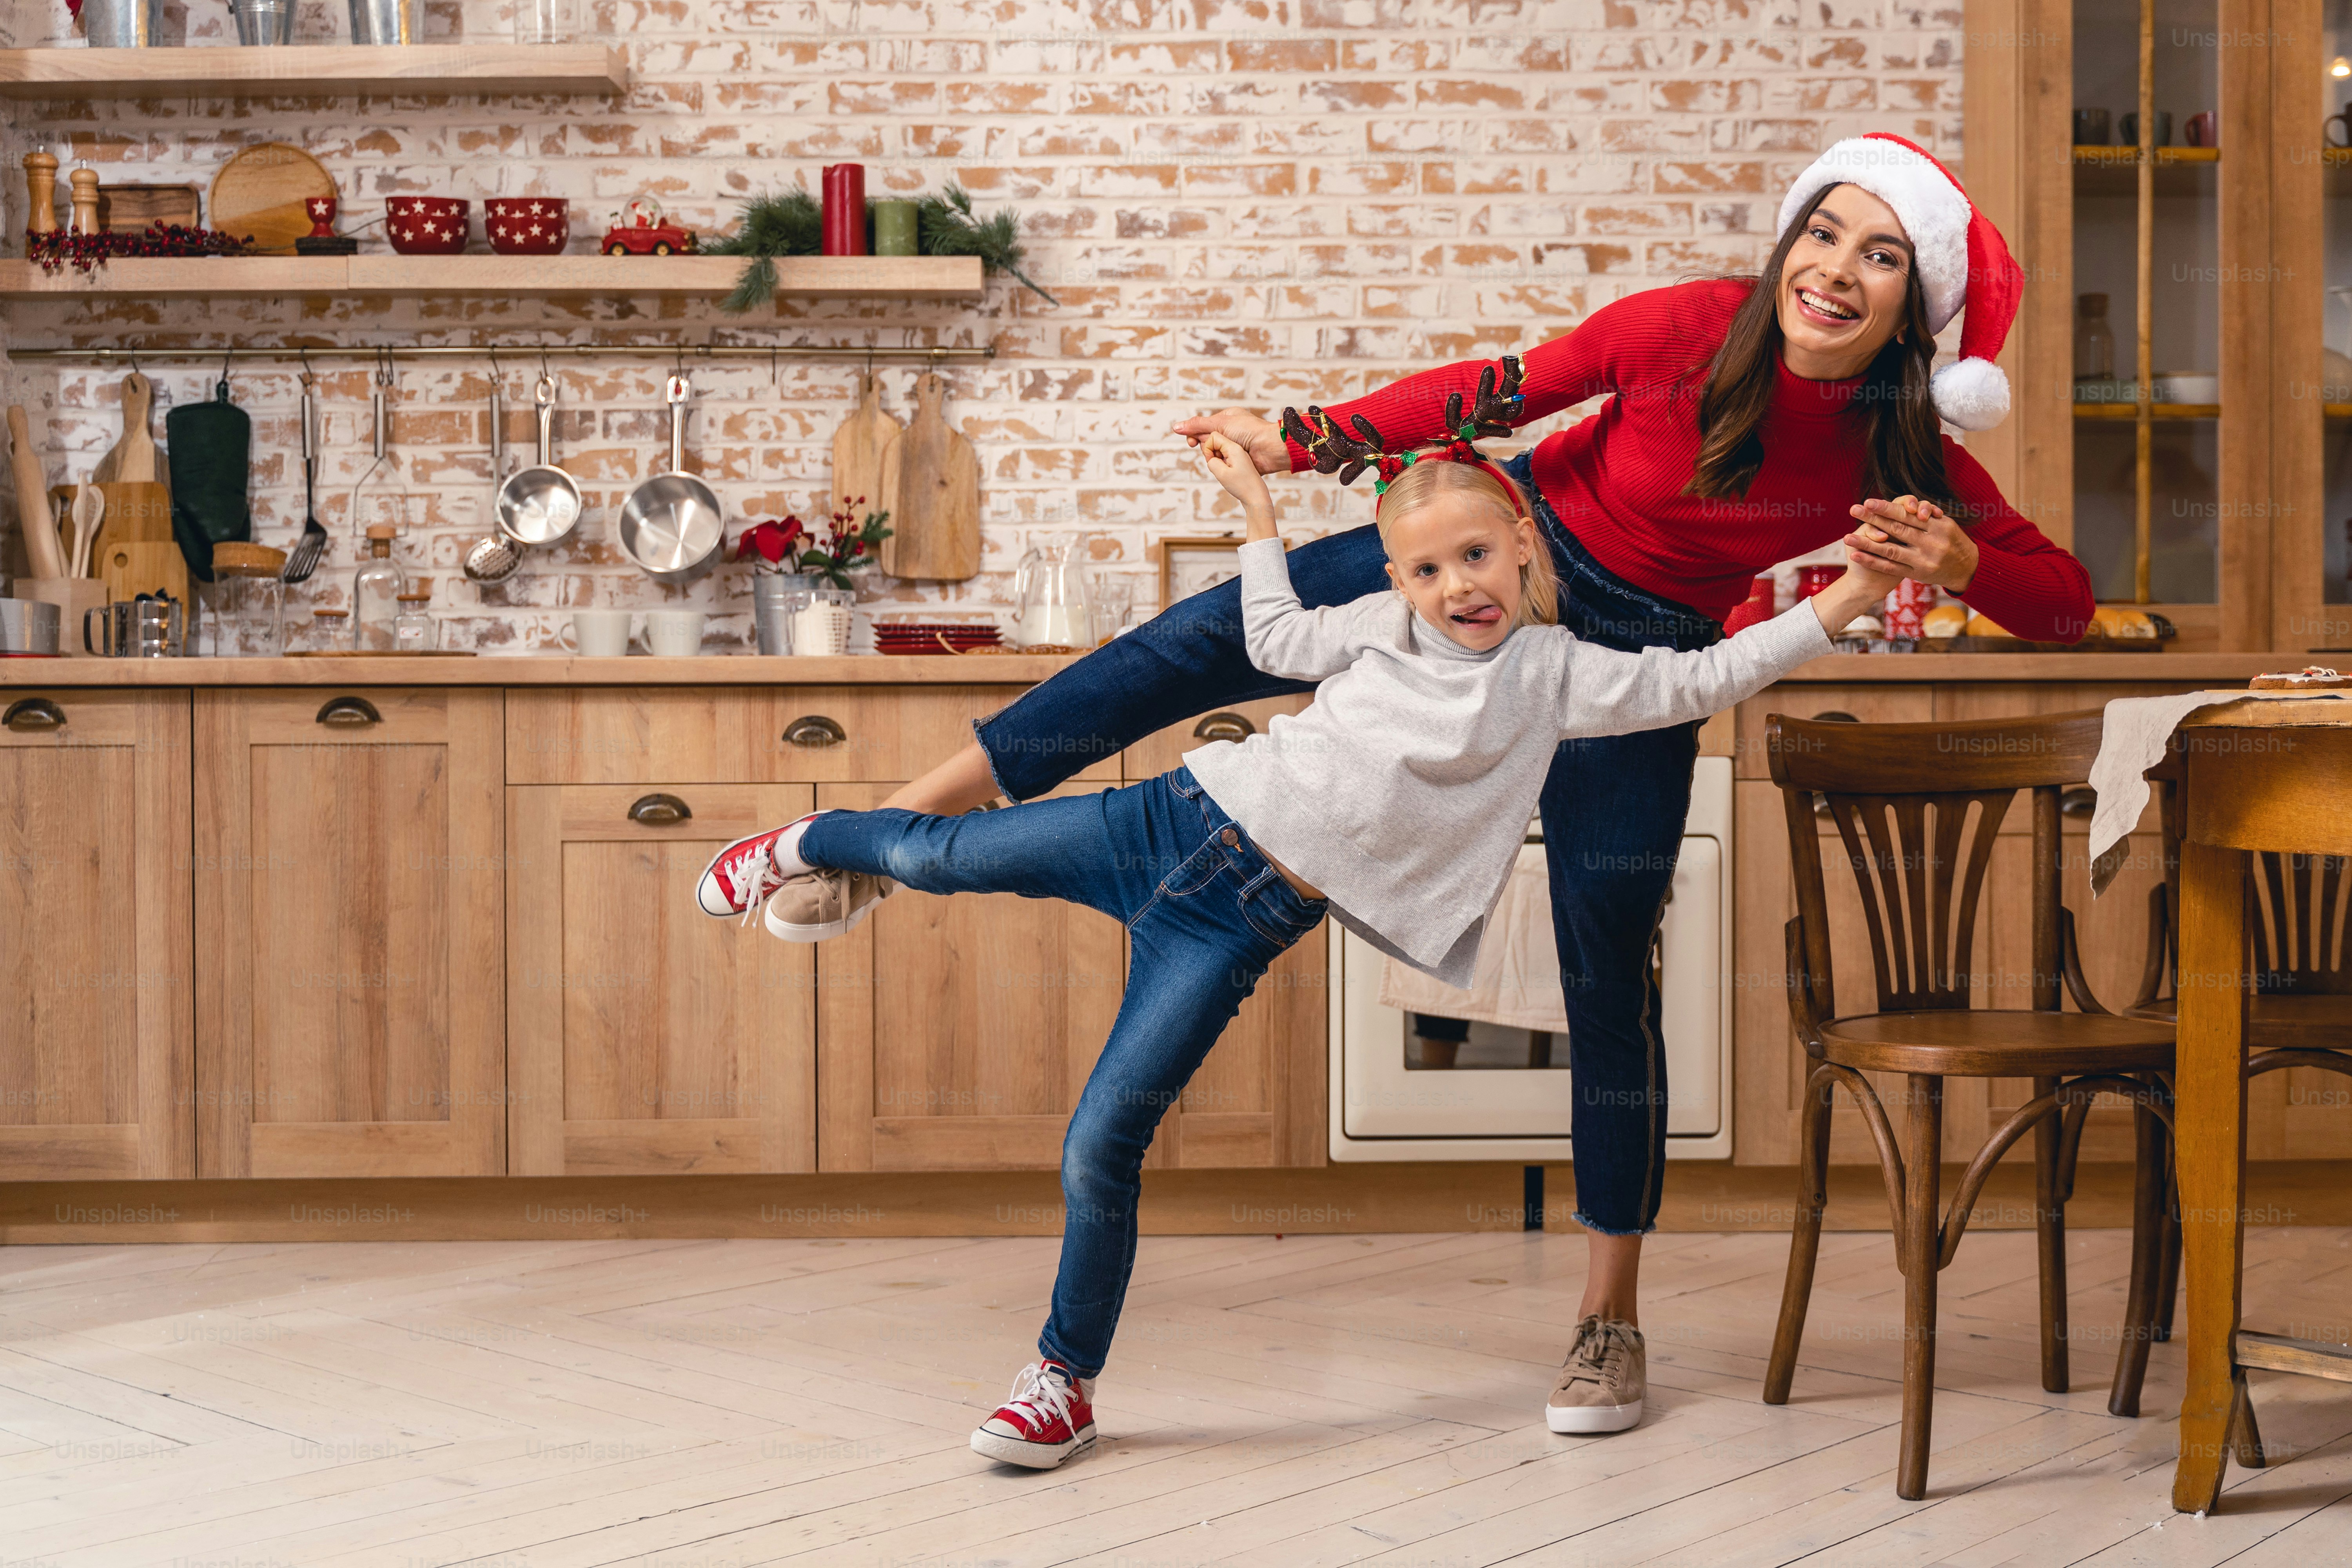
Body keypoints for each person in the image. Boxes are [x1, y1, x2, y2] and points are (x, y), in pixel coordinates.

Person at [782, 132, 2096, 1437]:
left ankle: (1608, 1320)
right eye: (1824, 233)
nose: (1835, 271)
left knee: (1606, 955)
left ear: (1913, 309)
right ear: (1788, 243)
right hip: (1494, 552)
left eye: (1880, 256)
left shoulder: (1902, 442)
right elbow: (1493, 390)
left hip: (1639, 659)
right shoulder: (1684, 328)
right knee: (1188, 644)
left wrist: (1962, 559)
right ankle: (883, 836)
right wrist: (1300, 444)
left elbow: (2066, 605)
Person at [695, 418, 1907, 1467]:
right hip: (1164, 822)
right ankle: (806, 842)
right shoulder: (1378, 622)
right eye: (1427, 568)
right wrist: (1259, 510)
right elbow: (1271, 636)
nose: (1456, 588)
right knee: (928, 854)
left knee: (1100, 1140)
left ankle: (1060, 1384)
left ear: (1527, 547)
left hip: (1228, 928)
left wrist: (1842, 601)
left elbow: (1705, 676)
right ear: (1398, 577)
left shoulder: (1557, 675)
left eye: (1477, 556)